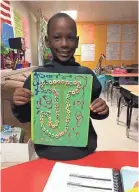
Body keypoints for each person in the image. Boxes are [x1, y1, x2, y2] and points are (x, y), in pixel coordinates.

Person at [11, 13, 109, 160]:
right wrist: (17, 103)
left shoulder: (87, 75)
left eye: (70, 38)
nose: (64, 44)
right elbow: (25, 116)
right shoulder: (37, 77)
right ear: (47, 41)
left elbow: (91, 110)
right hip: (47, 152)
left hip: (83, 151)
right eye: (57, 37)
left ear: (76, 42)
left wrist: (102, 109)